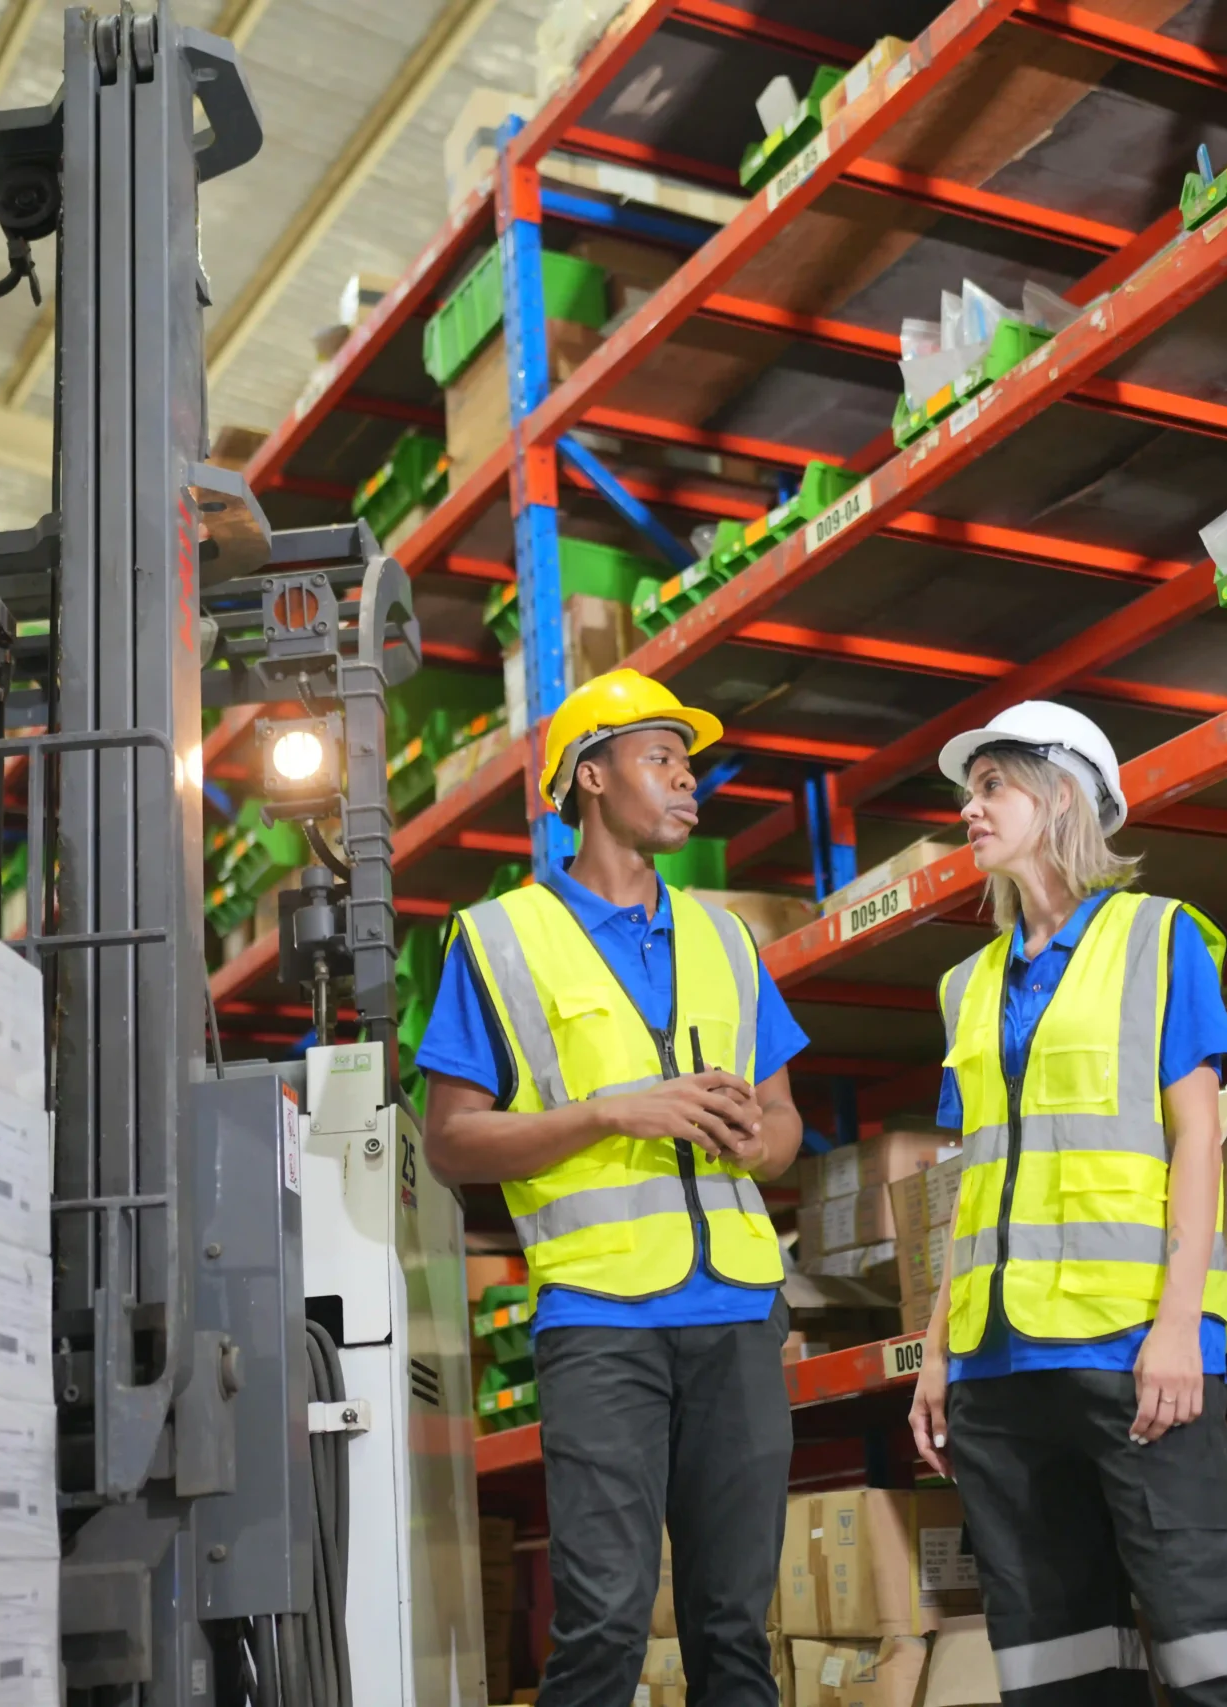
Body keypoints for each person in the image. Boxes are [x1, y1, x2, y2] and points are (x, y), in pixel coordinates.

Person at [419, 668, 809, 1707]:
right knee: (604, 1624)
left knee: (735, 1631)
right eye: (662, 759)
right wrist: (610, 1113)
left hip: (736, 1314)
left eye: (690, 764)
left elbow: (785, 1127)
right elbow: (450, 1141)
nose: (689, 783)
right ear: (590, 778)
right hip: (599, 1323)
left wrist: (750, 1138)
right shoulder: (499, 938)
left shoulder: (728, 939)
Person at [904, 700, 1227, 1707]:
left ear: (1061, 793)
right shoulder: (966, 986)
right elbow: (973, 1181)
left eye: (992, 786)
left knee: (1205, 1639)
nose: (970, 812)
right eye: (967, 794)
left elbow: (1197, 1137)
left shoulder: (1159, 940)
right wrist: (938, 1351)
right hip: (997, 1367)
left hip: (1131, 1351)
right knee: (1049, 1659)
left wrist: (1177, 1326)